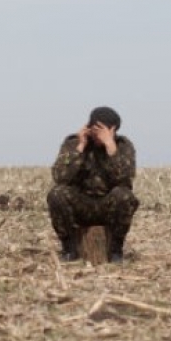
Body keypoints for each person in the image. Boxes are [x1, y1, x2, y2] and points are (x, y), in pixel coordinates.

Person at [47, 106, 139, 263]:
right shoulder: (73, 143)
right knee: (57, 194)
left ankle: (115, 250)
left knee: (124, 196)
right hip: (81, 204)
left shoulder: (123, 146)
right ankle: (69, 249)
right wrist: (80, 147)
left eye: (101, 130)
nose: (97, 135)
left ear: (113, 130)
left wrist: (110, 147)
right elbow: (60, 177)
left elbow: (125, 179)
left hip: (107, 205)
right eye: (94, 129)